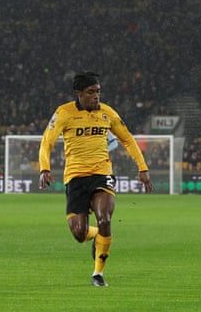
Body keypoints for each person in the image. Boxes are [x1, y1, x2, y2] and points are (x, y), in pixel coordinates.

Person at [38, 72, 153, 287]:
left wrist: (143, 168)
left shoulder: (107, 113)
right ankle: (97, 236)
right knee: (79, 233)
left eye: (98, 92)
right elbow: (47, 143)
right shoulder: (64, 113)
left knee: (105, 218)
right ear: (79, 93)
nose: (96, 96)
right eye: (91, 92)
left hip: (102, 174)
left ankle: (98, 274)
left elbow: (127, 139)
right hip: (75, 177)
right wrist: (44, 168)